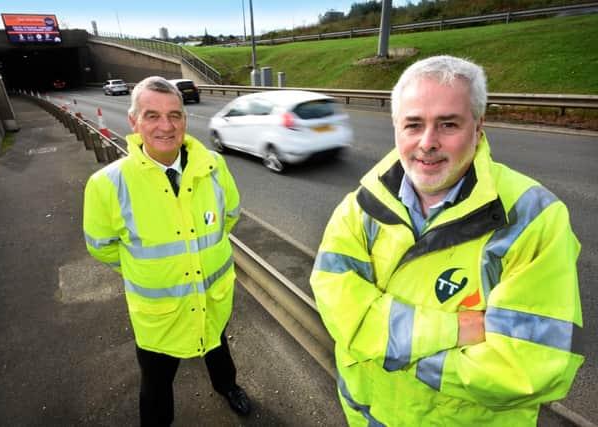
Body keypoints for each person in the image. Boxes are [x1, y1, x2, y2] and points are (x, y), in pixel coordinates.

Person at [309, 55, 584, 426]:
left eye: (448, 124)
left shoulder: (533, 217)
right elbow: (334, 302)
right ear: (395, 128)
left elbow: (525, 368)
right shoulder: (361, 204)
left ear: (479, 126)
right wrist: (456, 330)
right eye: (413, 125)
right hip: (368, 417)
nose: (427, 143)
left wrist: (384, 344)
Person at [83, 76, 250, 426]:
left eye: (175, 115)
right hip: (159, 313)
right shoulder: (107, 185)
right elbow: (102, 248)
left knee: (218, 347)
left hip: (212, 295)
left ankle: (228, 387)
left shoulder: (214, 167)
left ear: (185, 120)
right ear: (134, 122)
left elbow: (230, 216)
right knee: (156, 382)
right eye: (152, 115)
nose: (166, 126)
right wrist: (146, 270)